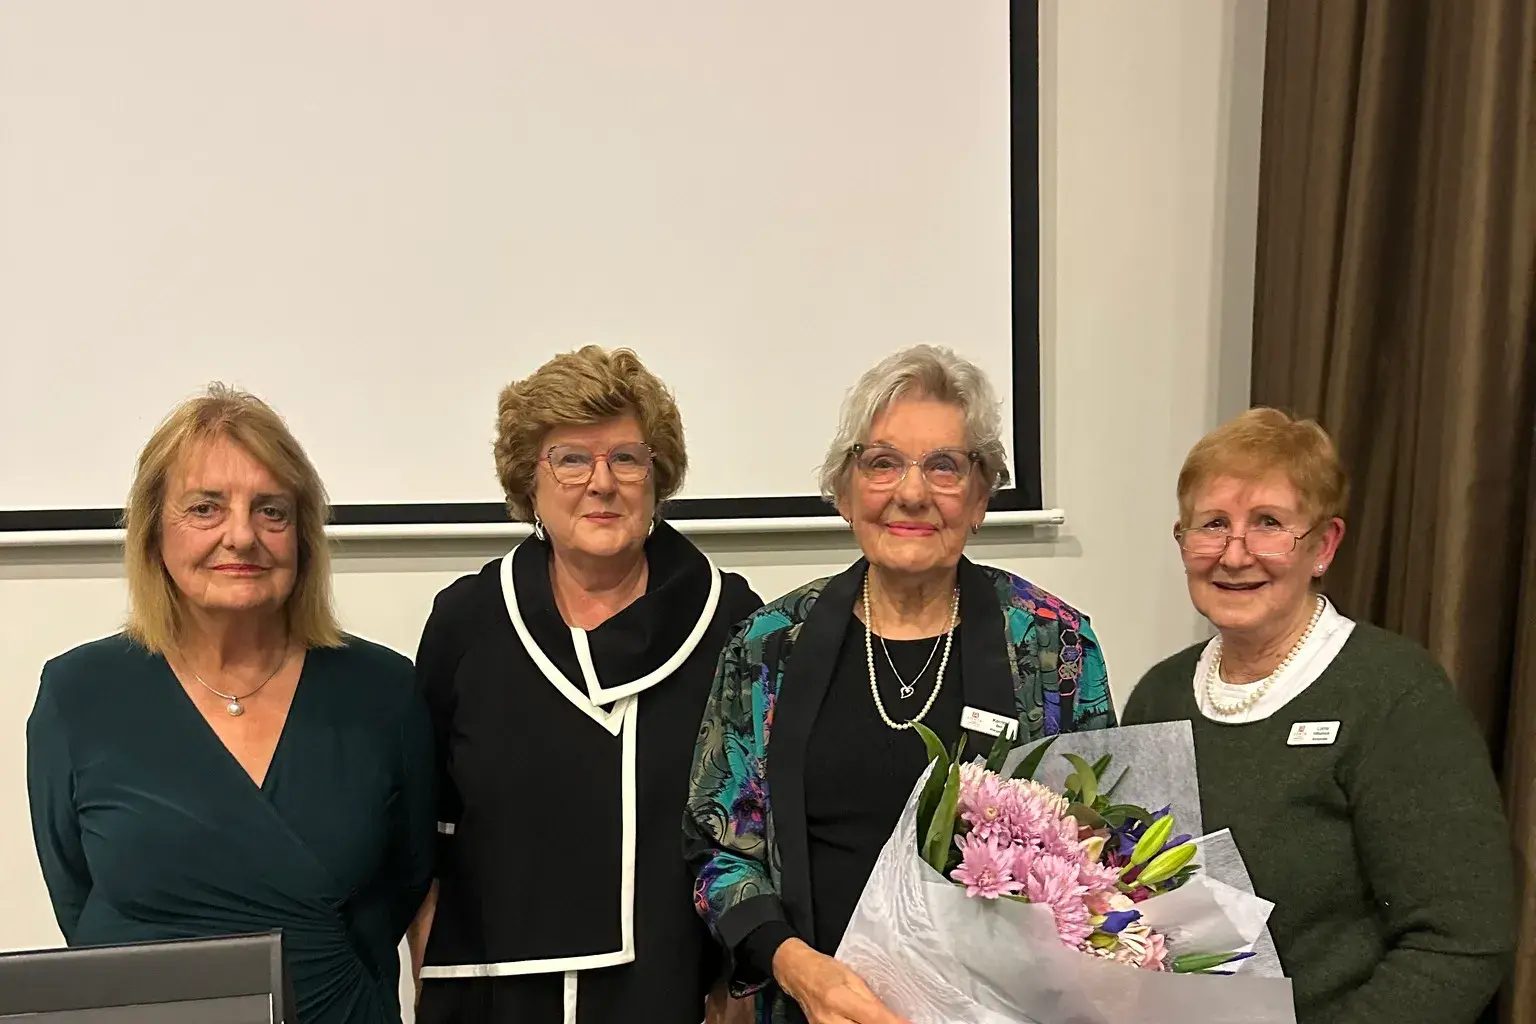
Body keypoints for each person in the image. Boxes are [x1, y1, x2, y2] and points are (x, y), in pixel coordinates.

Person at [684, 344, 1116, 1024]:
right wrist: (799, 970)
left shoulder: (1052, 645)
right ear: (847, 490)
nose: (911, 492)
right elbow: (718, 850)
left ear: (980, 496)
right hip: (808, 1010)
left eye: (944, 466)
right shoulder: (768, 646)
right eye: (883, 462)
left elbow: (1097, 854)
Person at [26, 385, 434, 1024]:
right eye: (205, 508)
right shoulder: (77, 694)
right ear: (155, 529)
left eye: (272, 511)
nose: (241, 537)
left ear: (301, 535)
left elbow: (409, 883)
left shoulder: (384, 691)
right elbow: (75, 894)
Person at [1122, 408, 1516, 1024]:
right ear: (1182, 540)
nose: (1234, 554)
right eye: (1213, 524)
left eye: (1269, 524)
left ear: (1324, 545)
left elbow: (1460, 943)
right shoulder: (1158, 694)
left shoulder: (1395, 695)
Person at [409, 346, 763, 1024]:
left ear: (658, 477)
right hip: (491, 995)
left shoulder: (732, 623)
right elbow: (428, 821)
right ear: (528, 481)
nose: (601, 482)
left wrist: (738, 980)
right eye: (571, 458)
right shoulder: (467, 622)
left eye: (626, 458)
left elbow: (751, 830)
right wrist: (426, 957)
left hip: (671, 992)